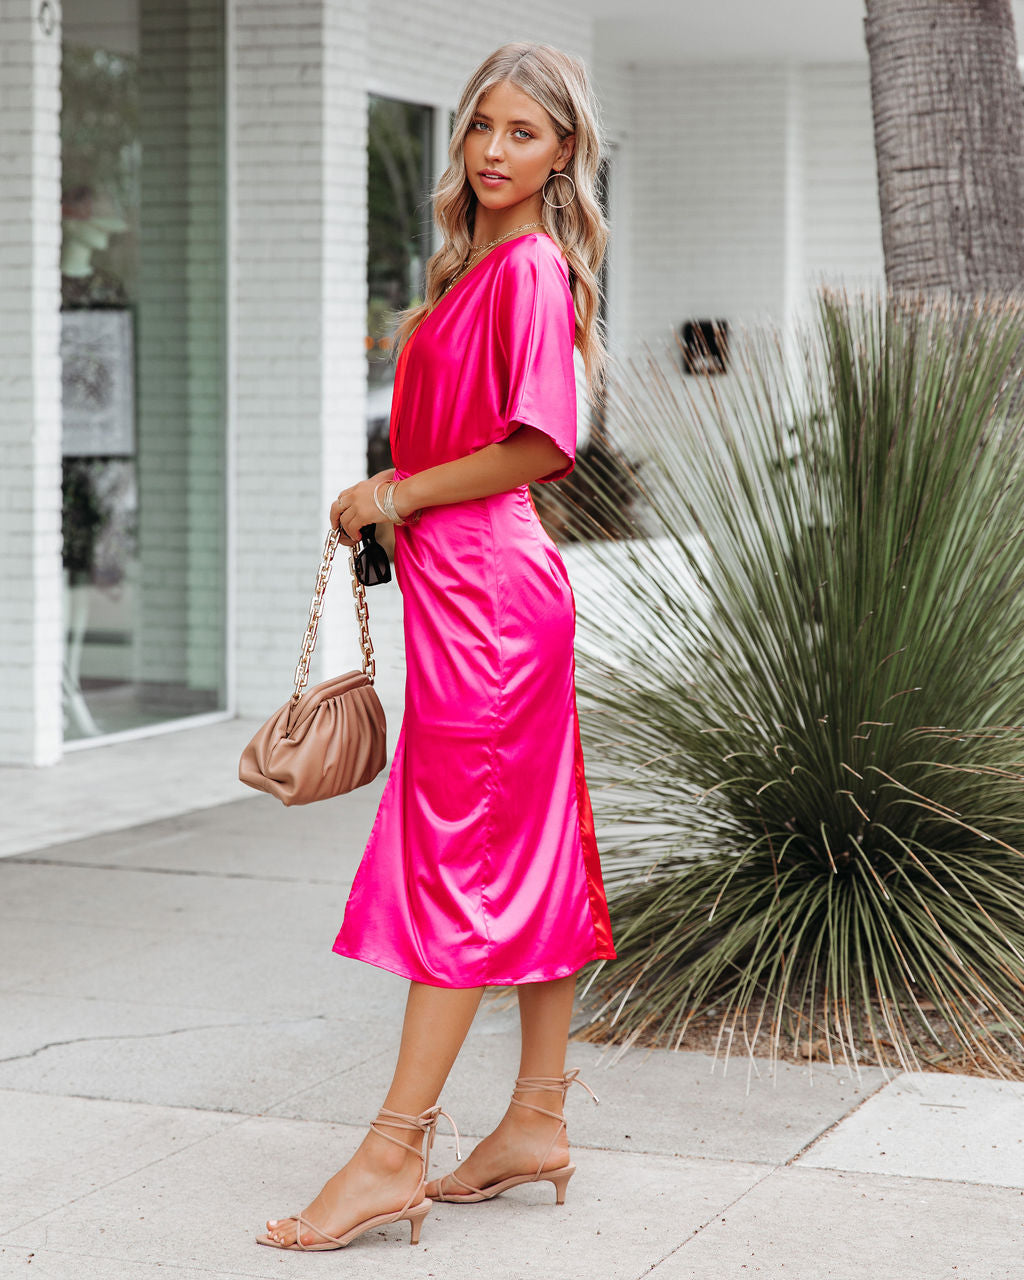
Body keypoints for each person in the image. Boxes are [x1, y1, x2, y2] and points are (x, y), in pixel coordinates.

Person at [258, 40, 616, 1253]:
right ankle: (536, 1118)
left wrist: (395, 492)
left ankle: (391, 1151)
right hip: (471, 594)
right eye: (482, 126)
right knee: (532, 846)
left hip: (493, 601)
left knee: (462, 858)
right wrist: (391, 500)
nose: (496, 150)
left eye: (525, 132)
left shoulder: (528, 269)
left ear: (562, 153)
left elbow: (543, 444)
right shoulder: (471, 267)